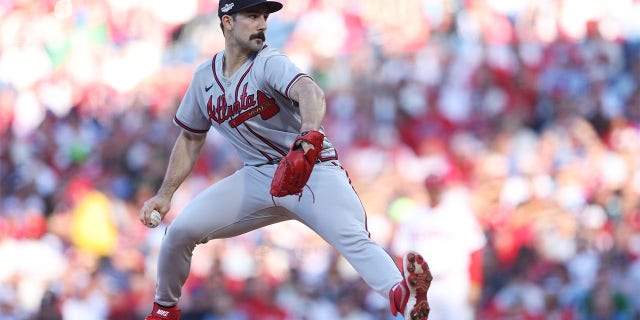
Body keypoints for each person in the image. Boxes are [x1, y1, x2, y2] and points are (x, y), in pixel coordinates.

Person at [139, 1, 432, 319]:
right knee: (180, 231)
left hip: (311, 168)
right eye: (252, 16)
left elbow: (311, 93)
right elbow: (190, 138)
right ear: (227, 22)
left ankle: (404, 295)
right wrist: (165, 194)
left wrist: (307, 138)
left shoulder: (269, 63)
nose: (262, 24)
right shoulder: (203, 79)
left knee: (353, 238)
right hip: (257, 176)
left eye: (264, 16)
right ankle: (165, 309)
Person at [392, 174, 486, 320]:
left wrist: (475, 283)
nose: (434, 192)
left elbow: (475, 250)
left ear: (443, 189)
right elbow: (401, 253)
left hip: (454, 282)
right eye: (431, 188)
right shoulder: (413, 216)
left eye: (436, 188)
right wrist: (404, 286)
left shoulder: (460, 214)